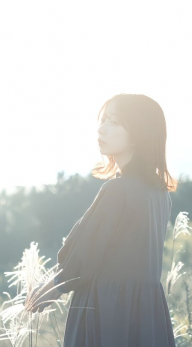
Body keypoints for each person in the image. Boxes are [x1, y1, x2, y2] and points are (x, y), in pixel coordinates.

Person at [28, 93, 178, 346]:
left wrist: (52, 288)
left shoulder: (118, 190)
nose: (102, 129)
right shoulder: (159, 193)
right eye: (103, 120)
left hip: (106, 311)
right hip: (146, 314)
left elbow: (85, 255)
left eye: (114, 122)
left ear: (138, 133)